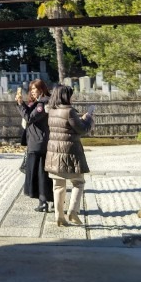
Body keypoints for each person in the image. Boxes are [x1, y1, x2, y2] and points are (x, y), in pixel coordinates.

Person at [45, 84, 94, 227]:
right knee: (78, 182)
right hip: (70, 153)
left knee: (58, 185)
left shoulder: (51, 110)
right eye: (71, 94)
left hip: (54, 153)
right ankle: (73, 211)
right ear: (66, 96)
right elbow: (81, 129)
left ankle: (59, 216)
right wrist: (88, 118)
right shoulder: (69, 111)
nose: (72, 97)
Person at [17, 78, 53, 212]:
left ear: (41, 89)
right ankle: (46, 200)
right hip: (37, 142)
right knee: (41, 174)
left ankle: (44, 201)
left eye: (34, 89)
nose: (32, 92)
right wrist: (21, 104)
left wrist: (20, 105)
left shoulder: (42, 104)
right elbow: (30, 114)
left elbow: (29, 118)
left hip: (39, 143)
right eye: (31, 89)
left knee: (41, 174)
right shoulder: (39, 103)